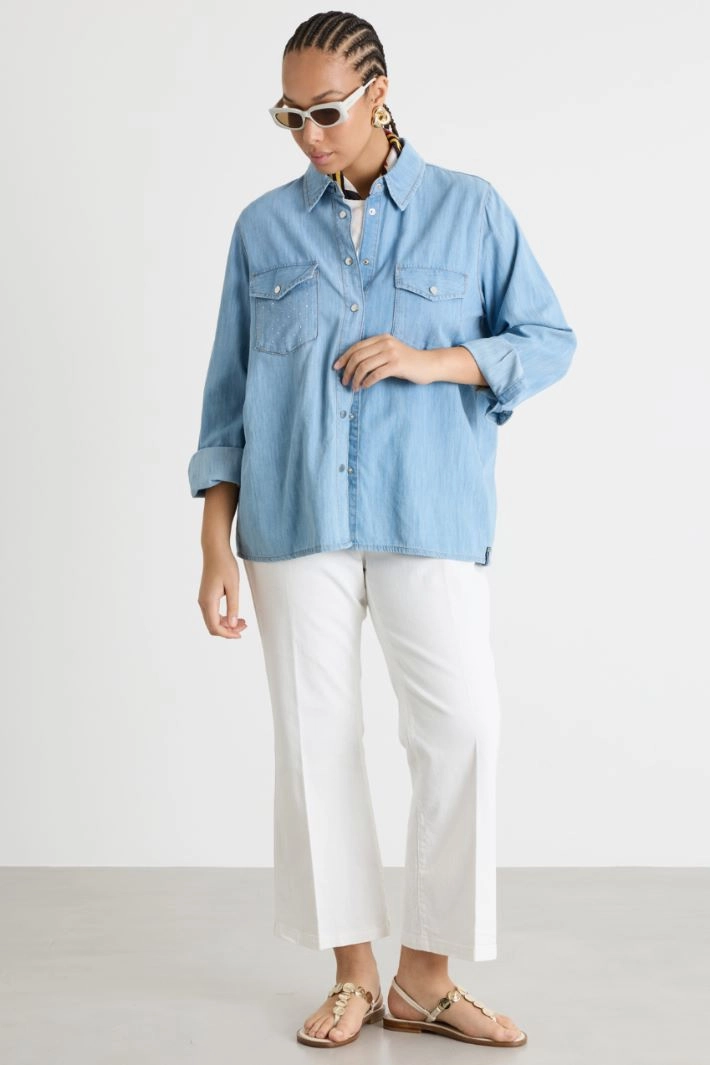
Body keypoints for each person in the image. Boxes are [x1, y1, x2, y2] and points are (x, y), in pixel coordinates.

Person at [188, 9, 576, 1051]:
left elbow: (547, 338)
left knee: (461, 731)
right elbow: (226, 398)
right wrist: (214, 540)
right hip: (292, 517)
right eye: (290, 116)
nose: (309, 135)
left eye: (326, 111)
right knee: (315, 742)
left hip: (427, 509)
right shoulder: (262, 228)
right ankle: (352, 974)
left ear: (379, 92)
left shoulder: (469, 209)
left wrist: (433, 360)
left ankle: (425, 979)